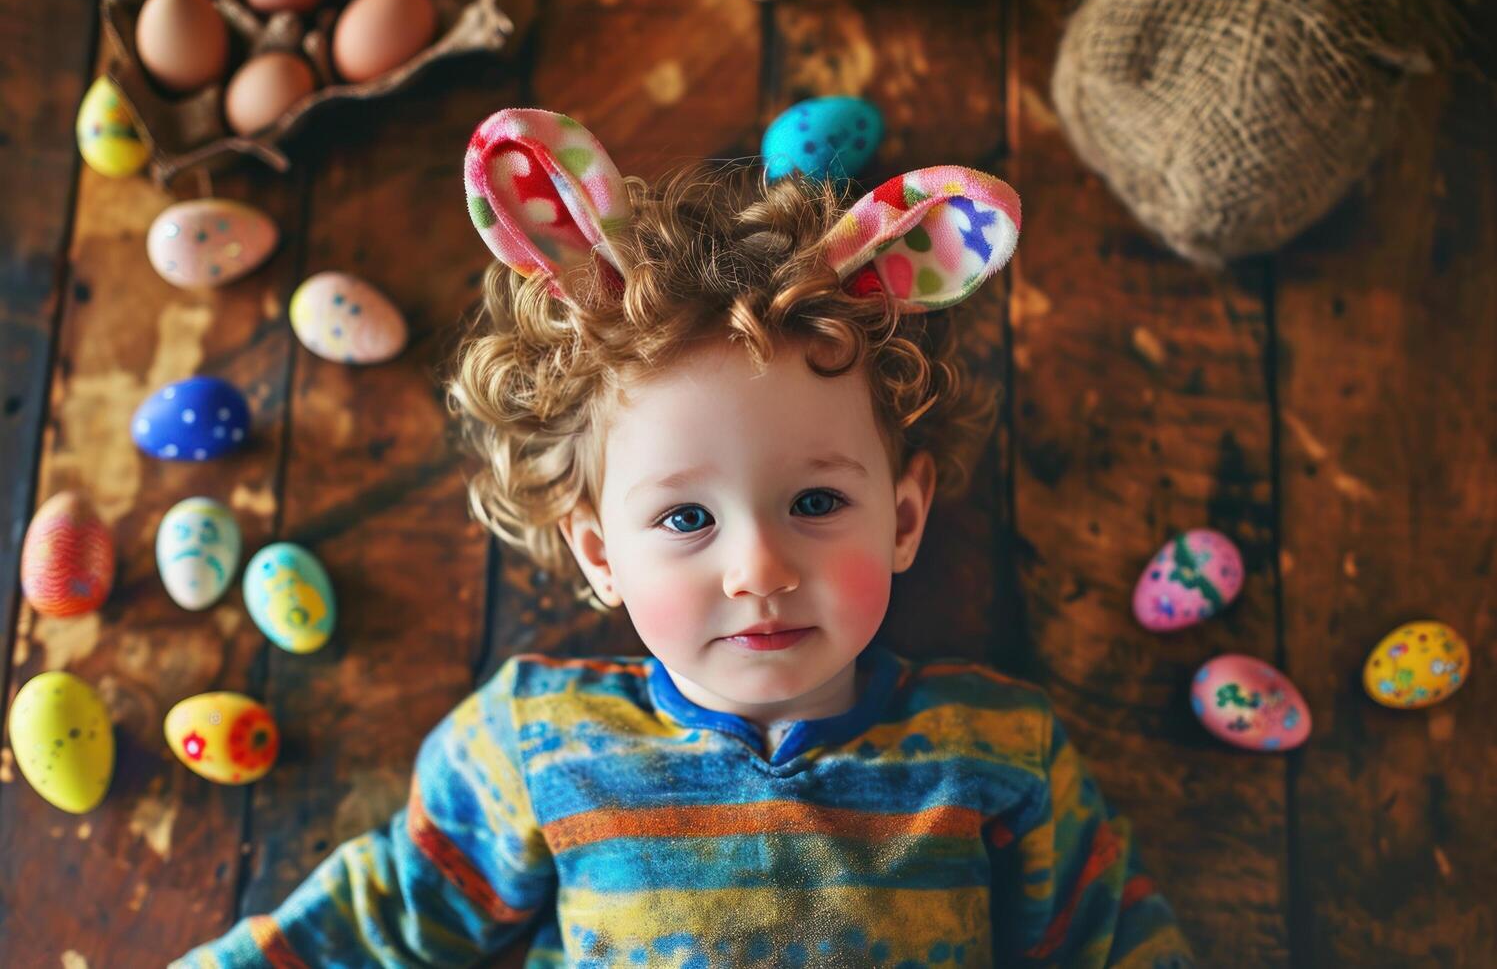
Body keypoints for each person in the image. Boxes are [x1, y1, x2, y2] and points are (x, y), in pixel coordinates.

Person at [173, 107, 1195, 968]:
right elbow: (389, 918)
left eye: (815, 502)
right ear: (600, 553)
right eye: (686, 517)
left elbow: (1112, 944)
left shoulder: (996, 751)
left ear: (907, 517)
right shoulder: (544, 745)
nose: (758, 569)